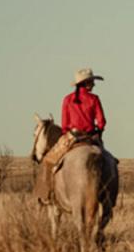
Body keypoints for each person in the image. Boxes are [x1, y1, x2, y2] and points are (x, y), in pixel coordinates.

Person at [35, 68, 106, 204]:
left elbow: (65, 123)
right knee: (110, 161)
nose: (94, 85)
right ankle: (109, 198)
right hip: (91, 137)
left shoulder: (67, 99)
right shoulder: (94, 99)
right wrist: (99, 131)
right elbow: (102, 121)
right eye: (92, 82)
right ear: (86, 83)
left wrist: (67, 133)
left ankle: (45, 196)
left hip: (72, 136)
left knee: (48, 161)